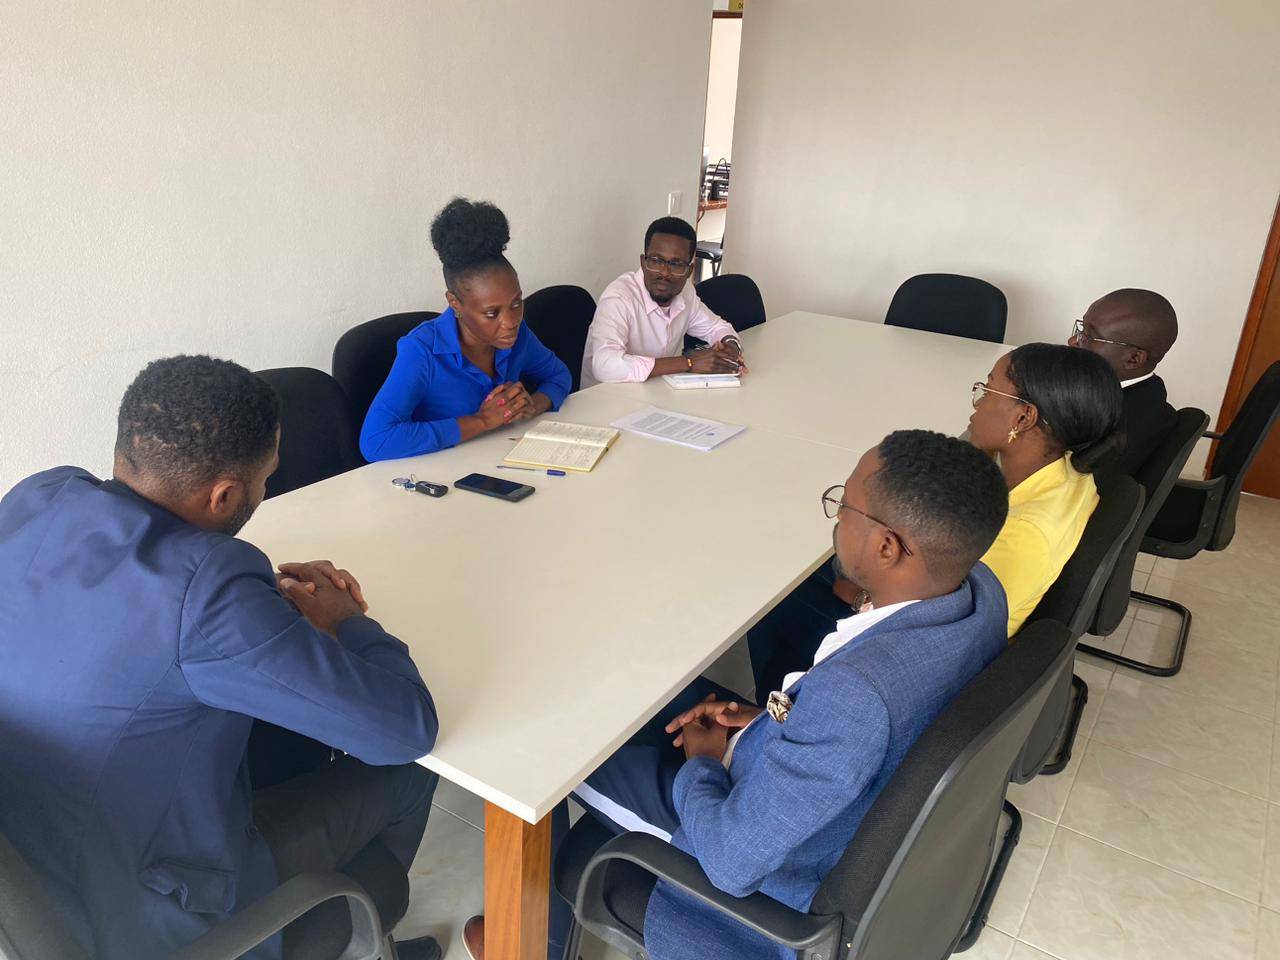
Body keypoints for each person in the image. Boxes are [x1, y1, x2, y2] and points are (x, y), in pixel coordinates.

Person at [0, 356, 443, 960]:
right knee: (412, 771)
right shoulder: (208, 589)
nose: (265, 492)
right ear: (225, 495)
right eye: (266, 480)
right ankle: (368, 941)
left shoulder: (42, 495)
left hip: (44, 862)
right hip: (150, 907)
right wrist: (349, 622)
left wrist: (258, 610)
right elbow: (407, 728)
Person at [558, 430, 1010, 960]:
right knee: (642, 690)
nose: (837, 519)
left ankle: (527, 934)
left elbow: (730, 862)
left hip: (762, 873)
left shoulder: (858, 697)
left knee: (562, 748)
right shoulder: (981, 592)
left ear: (887, 547)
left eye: (845, 507)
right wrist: (771, 720)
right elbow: (859, 729)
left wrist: (702, 764)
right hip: (816, 784)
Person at [749, 344, 1122, 693]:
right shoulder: (1068, 473)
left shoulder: (1025, 534)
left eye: (988, 390)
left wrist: (859, 594)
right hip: (941, 615)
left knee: (772, 590)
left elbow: (939, 625)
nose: (977, 402)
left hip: (918, 658)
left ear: (1023, 417)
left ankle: (783, 705)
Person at [360, 198, 573, 460]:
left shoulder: (518, 335)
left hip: (501, 460)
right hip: (439, 475)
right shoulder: (422, 352)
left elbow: (559, 375)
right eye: (491, 313)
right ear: (455, 303)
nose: (510, 321)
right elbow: (376, 441)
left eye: (516, 303)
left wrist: (532, 406)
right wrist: (483, 421)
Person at [580, 216, 747, 388]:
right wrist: (688, 363)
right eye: (656, 261)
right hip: (606, 396)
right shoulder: (619, 298)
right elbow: (605, 366)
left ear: (689, 271)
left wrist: (730, 349)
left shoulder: (685, 292)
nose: (664, 273)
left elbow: (715, 327)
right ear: (643, 262)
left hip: (657, 390)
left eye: (676, 264)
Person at [1068, 288, 1178, 476]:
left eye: (1089, 337)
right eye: (1081, 329)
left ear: (1133, 359)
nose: (1072, 341)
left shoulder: (1117, 431)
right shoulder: (1146, 394)